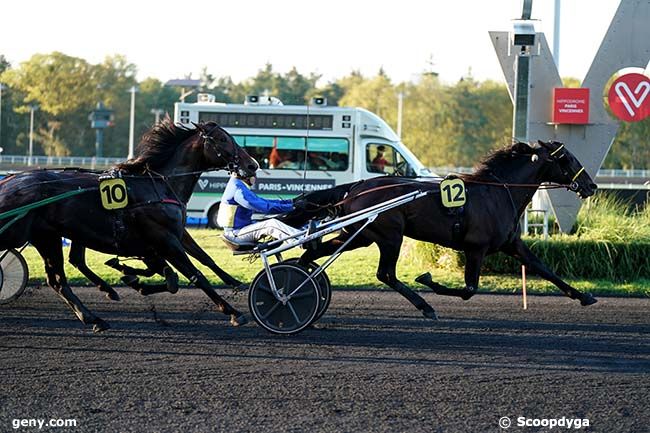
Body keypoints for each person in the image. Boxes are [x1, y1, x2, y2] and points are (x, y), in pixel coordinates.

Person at [217, 172, 302, 245]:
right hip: (236, 234)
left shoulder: (236, 184)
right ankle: (301, 240)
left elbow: (264, 202)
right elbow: (265, 207)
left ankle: (301, 234)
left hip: (239, 230)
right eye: (254, 174)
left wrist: (290, 202)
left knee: (275, 220)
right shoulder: (239, 189)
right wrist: (292, 207)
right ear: (245, 175)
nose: (255, 177)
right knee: (271, 224)